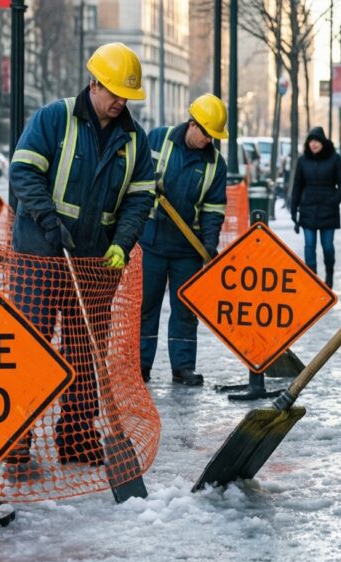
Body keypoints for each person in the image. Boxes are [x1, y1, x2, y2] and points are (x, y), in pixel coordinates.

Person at [9, 42, 155, 464]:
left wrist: (121, 244)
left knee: (84, 350)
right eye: (113, 93)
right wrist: (48, 220)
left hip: (93, 264)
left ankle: (75, 436)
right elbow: (23, 170)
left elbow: (140, 198)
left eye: (126, 95)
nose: (120, 102)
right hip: (40, 255)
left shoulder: (134, 140)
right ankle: (17, 438)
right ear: (93, 84)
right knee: (31, 346)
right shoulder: (55, 118)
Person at [138, 94, 228, 387]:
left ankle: (183, 366)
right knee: (145, 306)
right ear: (192, 124)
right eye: (206, 134)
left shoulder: (216, 164)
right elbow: (137, 179)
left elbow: (214, 209)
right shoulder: (158, 140)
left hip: (188, 249)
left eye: (213, 137)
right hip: (151, 241)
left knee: (186, 310)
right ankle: (141, 364)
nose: (208, 141)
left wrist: (210, 244)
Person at [289, 126, 341, 287]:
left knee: (327, 247)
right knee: (309, 246)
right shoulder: (303, 160)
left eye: (316, 141)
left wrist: (334, 200)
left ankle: (329, 272)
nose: (313, 144)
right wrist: (293, 208)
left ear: (323, 142)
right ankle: (312, 279)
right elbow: (297, 186)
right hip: (307, 209)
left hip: (328, 210)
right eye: (311, 141)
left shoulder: (334, 158)